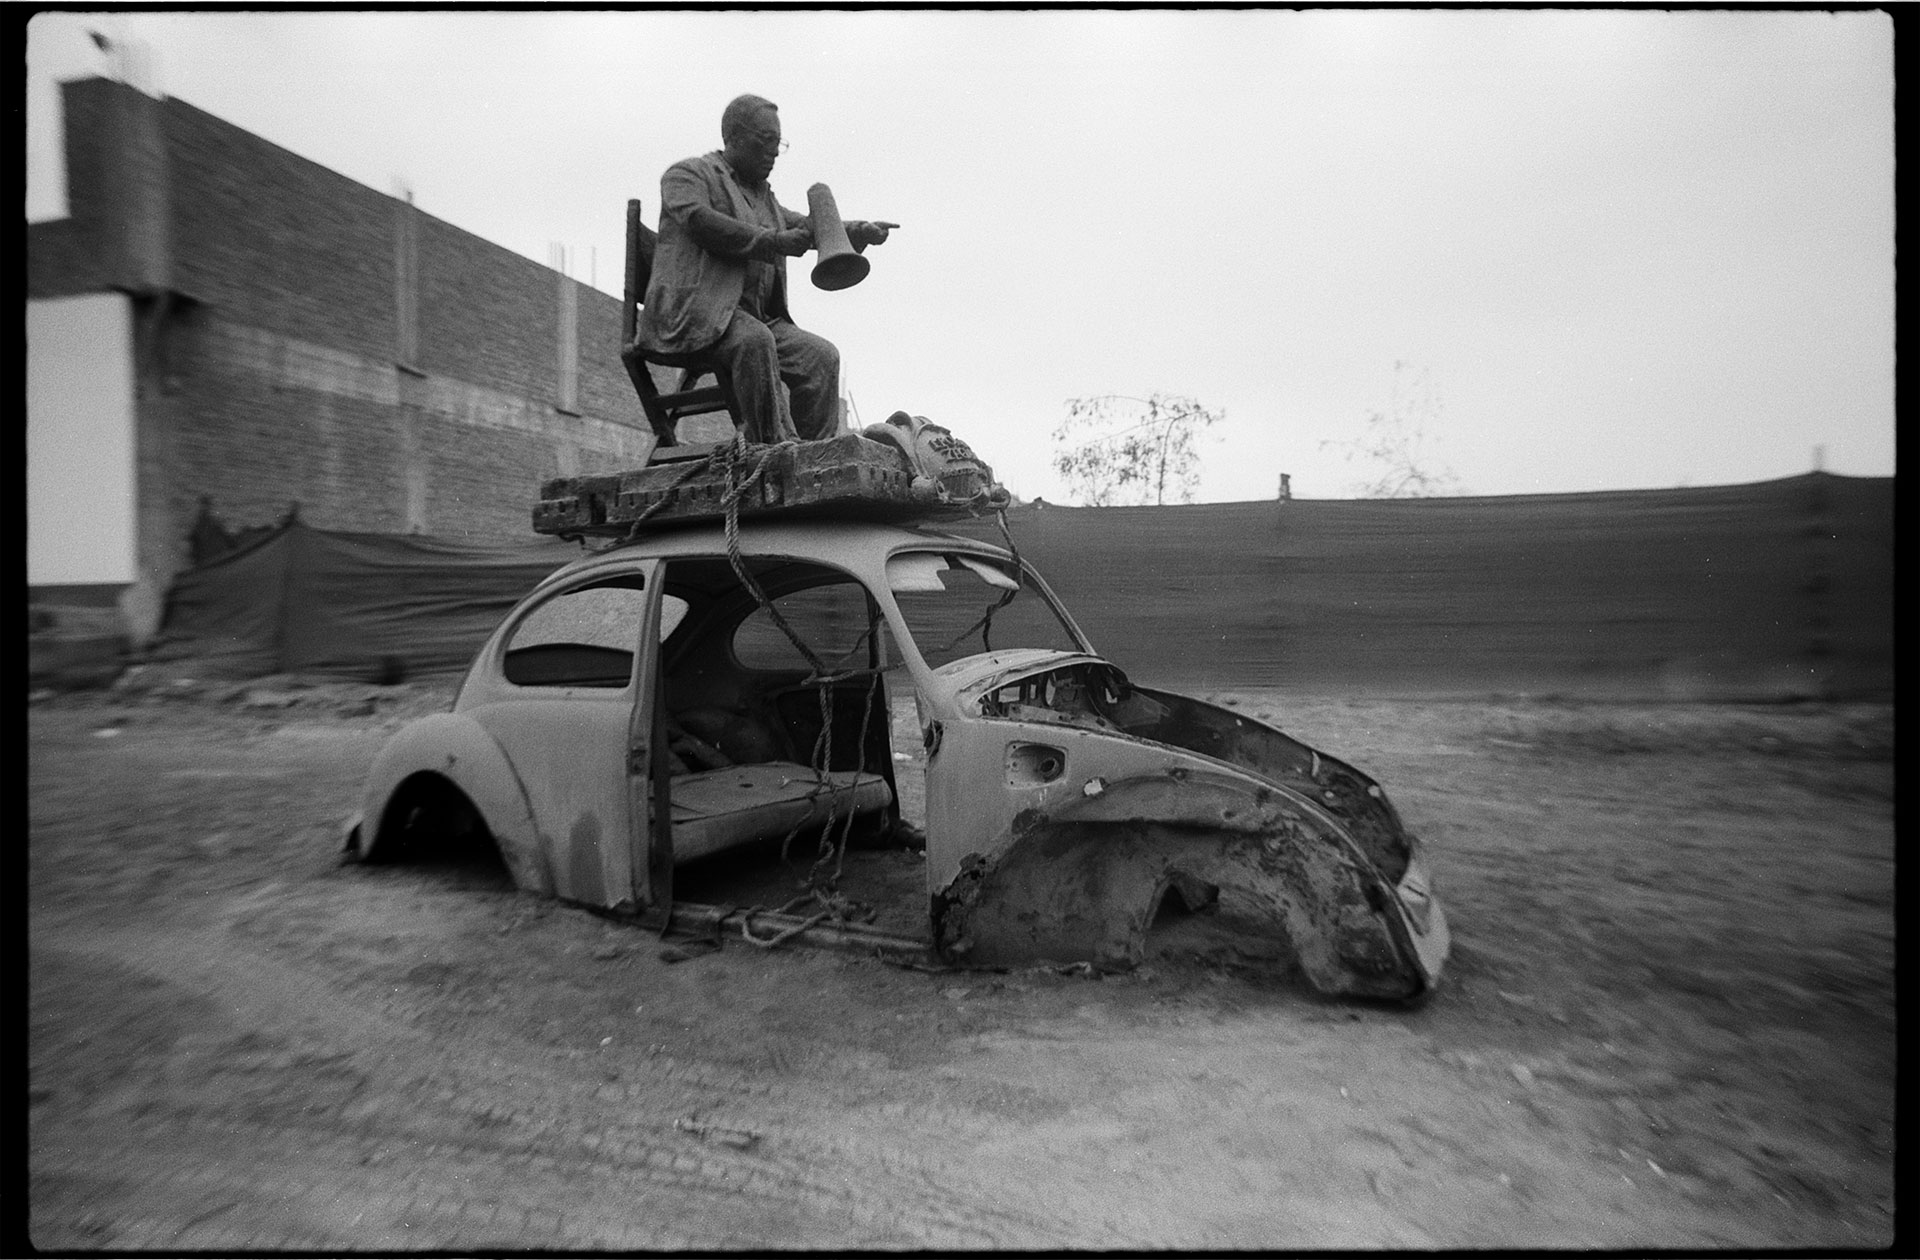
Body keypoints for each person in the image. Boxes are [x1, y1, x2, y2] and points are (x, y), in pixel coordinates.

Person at [637, 94, 897, 445]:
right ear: (734, 137)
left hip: (750, 318)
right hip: (697, 315)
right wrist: (771, 241)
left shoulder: (763, 197)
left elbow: (803, 226)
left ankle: (816, 455)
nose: (774, 152)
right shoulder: (687, 175)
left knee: (820, 357)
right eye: (766, 141)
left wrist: (857, 231)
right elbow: (701, 222)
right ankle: (774, 451)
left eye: (778, 143)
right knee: (755, 341)